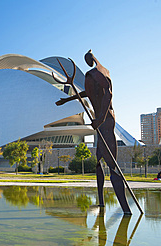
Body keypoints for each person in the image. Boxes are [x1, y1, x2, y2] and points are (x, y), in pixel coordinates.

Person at [56, 50, 131, 214]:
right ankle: (102, 202)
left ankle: (126, 209)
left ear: (91, 58)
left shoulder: (95, 73)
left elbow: (108, 94)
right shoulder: (102, 72)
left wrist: (101, 119)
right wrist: (67, 99)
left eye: (86, 59)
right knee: (99, 162)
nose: (87, 62)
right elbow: (88, 93)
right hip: (102, 122)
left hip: (105, 121)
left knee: (112, 164)